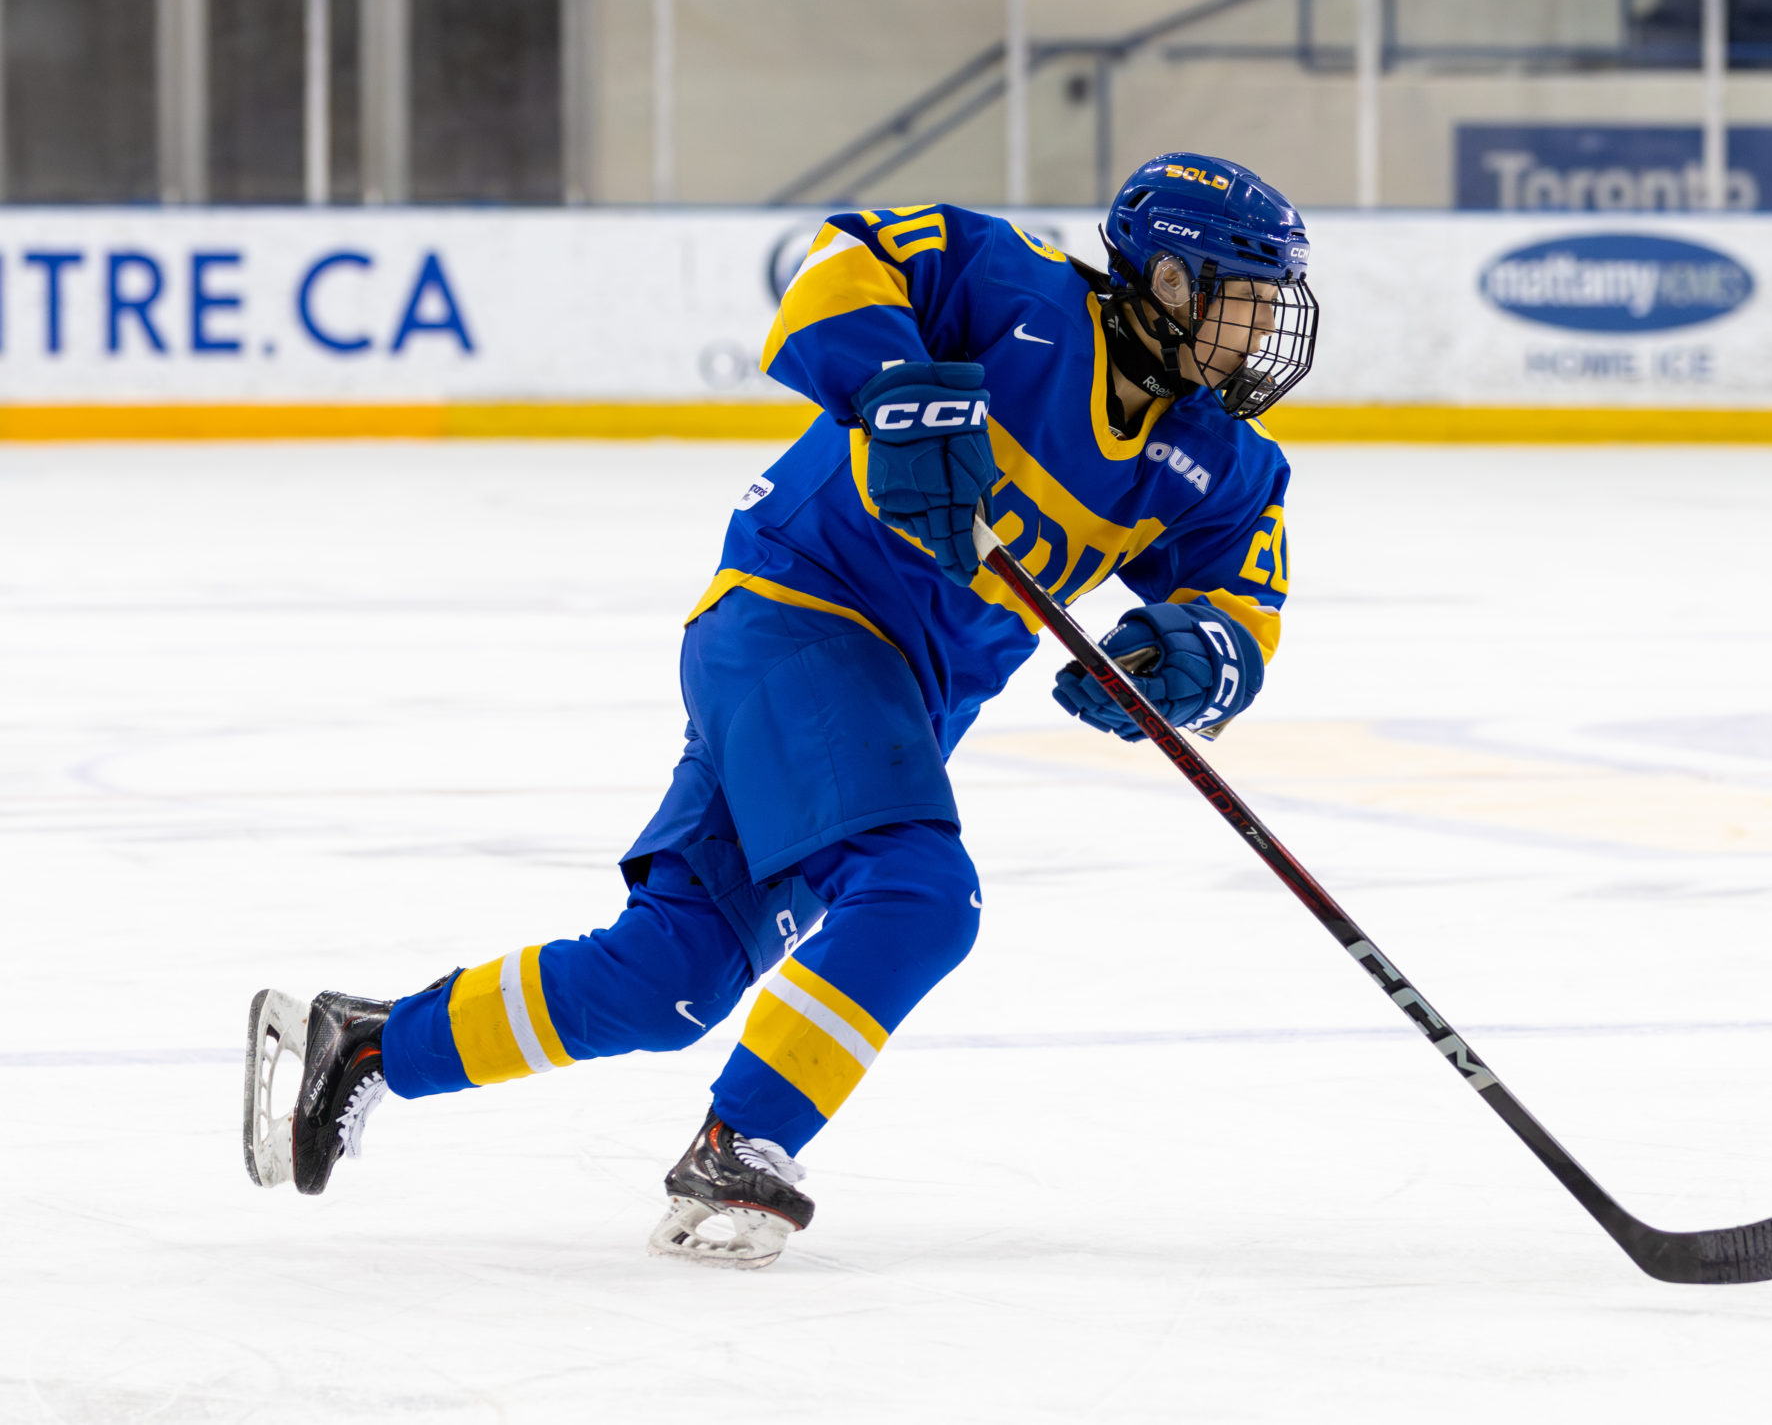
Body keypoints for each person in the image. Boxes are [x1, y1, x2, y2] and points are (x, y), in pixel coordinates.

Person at [243, 153, 1318, 1268]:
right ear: (1172, 282)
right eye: (1244, 302)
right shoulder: (1010, 287)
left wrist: (1191, 652)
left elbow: (1242, 606)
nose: (1260, 339)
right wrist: (893, 383)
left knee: (670, 978)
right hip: (794, 616)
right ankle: (742, 1140)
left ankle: (368, 1046)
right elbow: (844, 260)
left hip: (892, 701)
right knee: (918, 894)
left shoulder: (1225, 464)